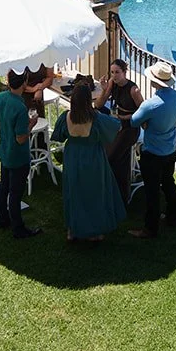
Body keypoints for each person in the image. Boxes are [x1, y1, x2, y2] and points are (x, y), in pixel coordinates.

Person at [51, 78, 126, 242]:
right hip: (93, 158)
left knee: (74, 192)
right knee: (94, 193)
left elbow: (58, 135)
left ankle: (72, 230)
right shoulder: (96, 118)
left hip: (72, 157)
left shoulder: (66, 117)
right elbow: (117, 127)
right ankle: (95, 231)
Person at [129, 61, 176, 239]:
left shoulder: (150, 105)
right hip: (170, 150)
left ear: (154, 81)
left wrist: (146, 121)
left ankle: (150, 229)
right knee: (168, 183)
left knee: (152, 191)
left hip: (152, 154)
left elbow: (134, 121)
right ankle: (172, 217)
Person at [0, 69, 41, 239]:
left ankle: (2, 218)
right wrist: (31, 125)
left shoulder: (2, 97)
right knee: (15, 193)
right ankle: (18, 228)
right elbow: (21, 139)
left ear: (9, 82)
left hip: (5, 152)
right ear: (24, 83)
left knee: (3, 187)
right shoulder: (20, 107)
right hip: (18, 157)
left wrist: (1, 125)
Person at [94, 57, 143, 205]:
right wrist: (104, 90)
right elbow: (98, 104)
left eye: (117, 72)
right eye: (112, 72)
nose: (114, 75)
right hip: (116, 123)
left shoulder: (134, 90)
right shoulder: (112, 84)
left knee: (113, 157)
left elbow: (143, 112)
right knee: (105, 150)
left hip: (130, 126)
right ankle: (112, 189)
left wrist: (125, 116)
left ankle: (121, 193)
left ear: (124, 72)